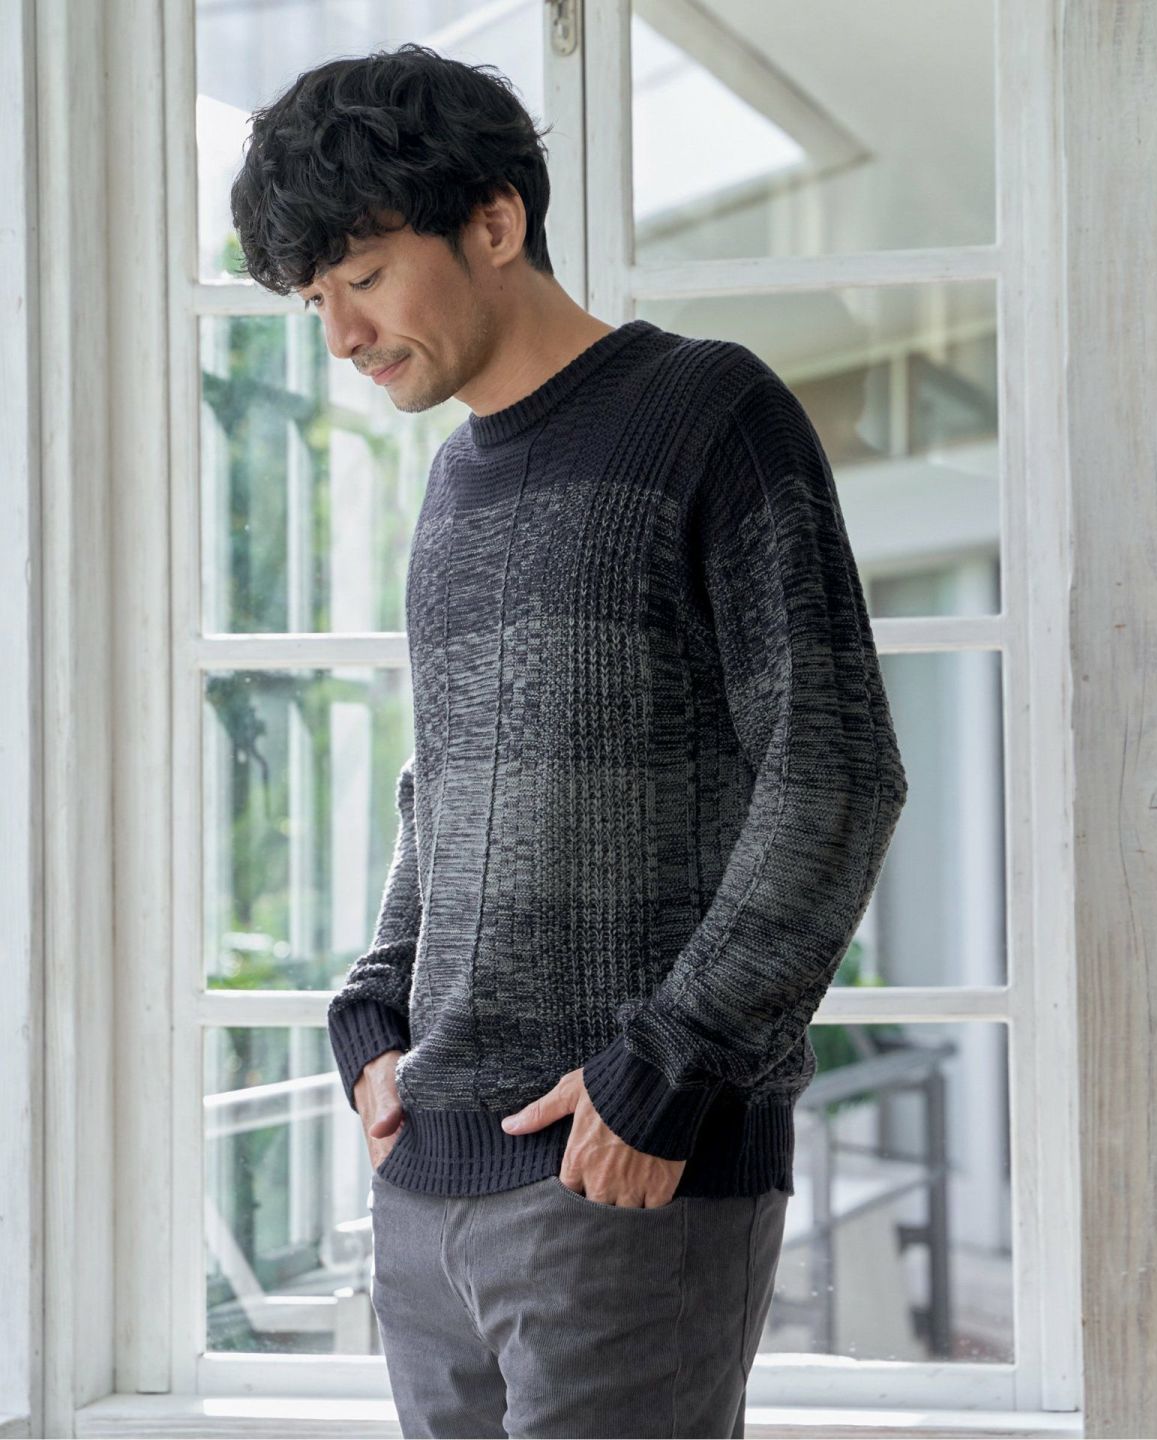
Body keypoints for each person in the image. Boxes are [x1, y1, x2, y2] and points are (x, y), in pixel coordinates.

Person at [230, 41, 908, 1440]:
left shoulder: (711, 415)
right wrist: (379, 996)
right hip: (425, 1183)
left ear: (495, 222)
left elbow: (835, 772)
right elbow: (449, 787)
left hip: (624, 1174)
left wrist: (672, 1065)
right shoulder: (452, 486)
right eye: (314, 299)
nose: (340, 336)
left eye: (362, 277)